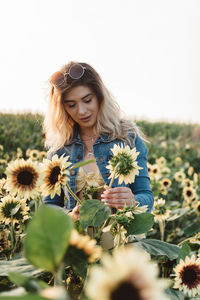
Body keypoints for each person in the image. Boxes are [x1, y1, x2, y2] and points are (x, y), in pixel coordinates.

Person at [43, 61, 154, 221]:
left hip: (120, 238)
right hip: (78, 242)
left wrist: (133, 201)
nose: (81, 111)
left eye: (87, 100)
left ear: (100, 96)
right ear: (63, 108)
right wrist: (70, 216)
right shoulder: (60, 149)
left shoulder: (127, 137)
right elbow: (49, 206)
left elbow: (147, 197)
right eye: (71, 105)